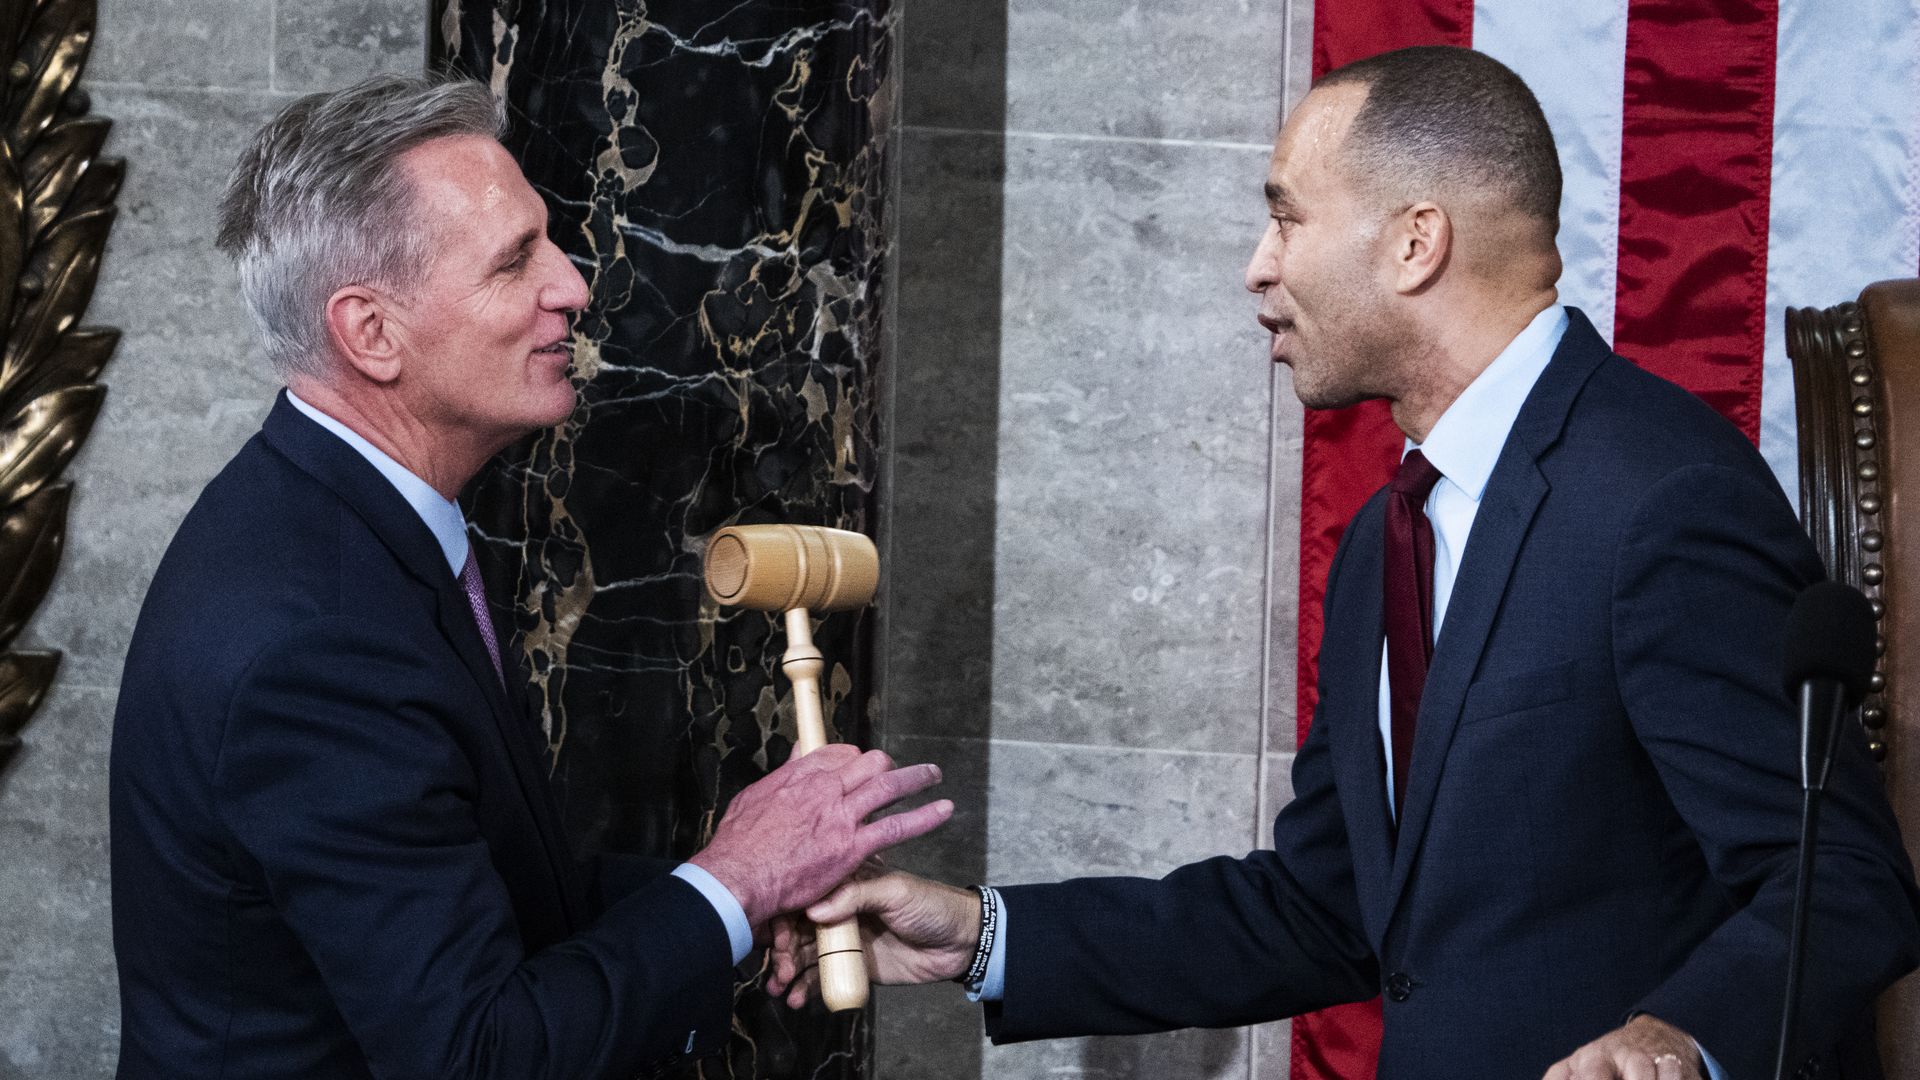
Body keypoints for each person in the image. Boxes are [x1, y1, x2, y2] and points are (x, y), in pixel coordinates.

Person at [768, 46, 1920, 1080]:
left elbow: (1846, 881)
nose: (1257, 268)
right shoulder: (1385, 541)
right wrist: (980, 935)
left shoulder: (1662, 497)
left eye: (1286, 218)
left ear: (1416, 242)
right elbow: (1324, 910)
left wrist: (1676, 1041)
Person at [108, 75, 951, 1080]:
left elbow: (491, 894)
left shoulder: (350, 520)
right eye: (515, 262)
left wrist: (745, 893)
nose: (573, 285)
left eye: (546, 240)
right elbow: (477, 1054)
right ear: (371, 333)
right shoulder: (318, 634)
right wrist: (733, 880)